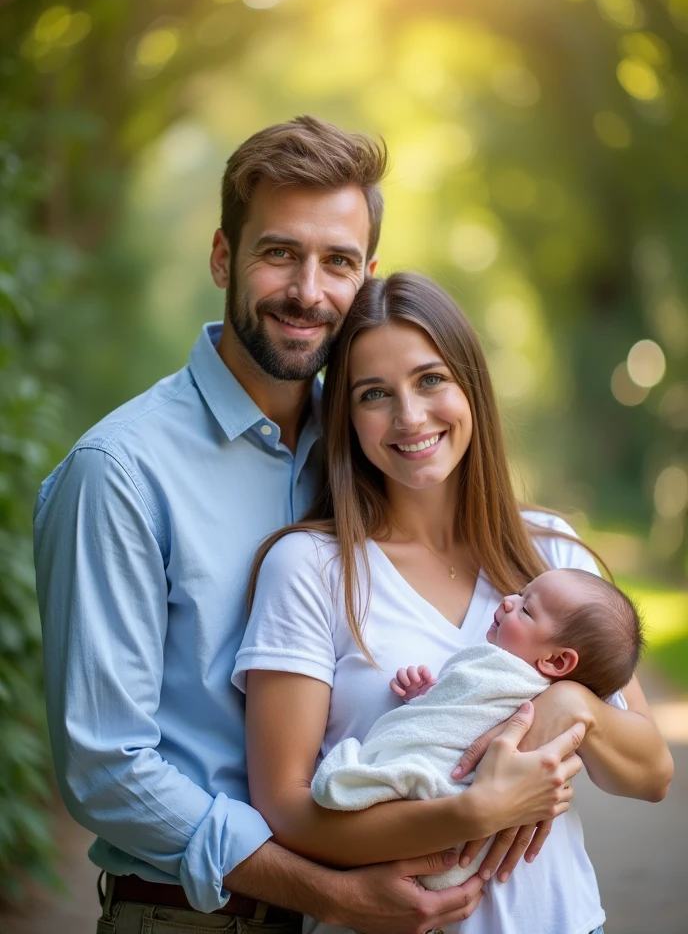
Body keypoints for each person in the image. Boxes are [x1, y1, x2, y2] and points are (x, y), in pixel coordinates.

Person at [35, 116, 498, 934]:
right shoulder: (120, 472)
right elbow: (107, 769)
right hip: (197, 919)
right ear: (223, 257)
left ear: (367, 275)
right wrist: (328, 892)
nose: (309, 292)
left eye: (339, 263)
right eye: (280, 253)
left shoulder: (367, 446)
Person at [234, 272, 673, 934]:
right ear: (346, 419)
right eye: (374, 394)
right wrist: (472, 814)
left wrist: (571, 703)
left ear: (471, 385)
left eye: (431, 379)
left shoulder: (552, 554)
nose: (410, 417)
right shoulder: (311, 568)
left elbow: (651, 772)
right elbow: (285, 809)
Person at [311, 569, 644, 896]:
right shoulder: (495, 675)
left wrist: (570, 702)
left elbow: (655, 775)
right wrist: (426, 697)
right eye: (521, 592)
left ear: (557, 661)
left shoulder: (512, 680)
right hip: (445, 824)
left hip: (454, 800)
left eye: (526, 609)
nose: (509, 600)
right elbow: (454, 715)